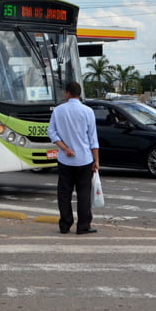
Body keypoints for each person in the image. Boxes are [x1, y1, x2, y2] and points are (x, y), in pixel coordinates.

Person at [47, 81, 100, 235]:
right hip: (85, 159)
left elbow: (51, 132)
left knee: (64, 193)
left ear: (67, 93)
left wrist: (65, 148)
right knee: (83, 194)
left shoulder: (58, 111)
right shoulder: (88, 111)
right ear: (79, 93)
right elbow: (93, 139)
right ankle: (83, 226)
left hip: (65, 159)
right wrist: (96, 160)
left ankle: (65, 225)